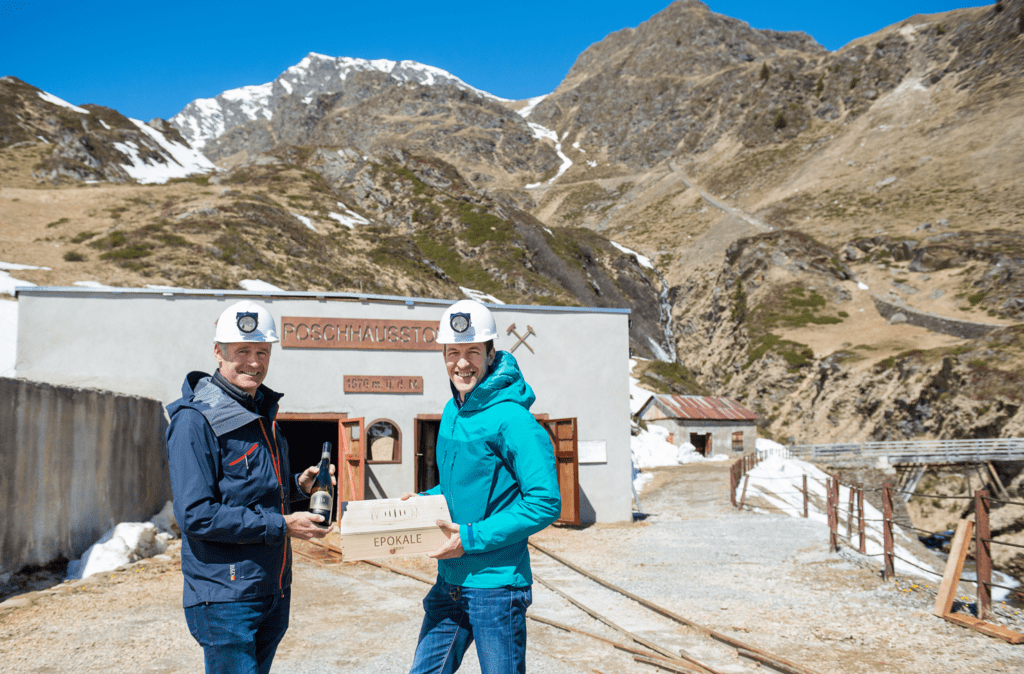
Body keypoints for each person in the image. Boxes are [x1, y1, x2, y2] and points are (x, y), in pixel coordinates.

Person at [166, 299, 334, 674]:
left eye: (262, 351)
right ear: (218, 352)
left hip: (270, 589)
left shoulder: (259, 412)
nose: (254, 362)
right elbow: (196, 515)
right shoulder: (195, 421)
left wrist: (297, 487)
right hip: (225, 597)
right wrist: (282, 525)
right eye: (242, 351)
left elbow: (250, 492)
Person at [404, 299, 562, 674]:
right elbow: (462, 489)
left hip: (496, 587)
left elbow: (544, 502)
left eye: (473, 352)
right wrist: (423, 501)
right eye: (453, 352)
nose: (462, 363)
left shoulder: (513, 419)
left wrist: (471, 538)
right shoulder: (450, 412)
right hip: (450, 581)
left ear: (491, 354)